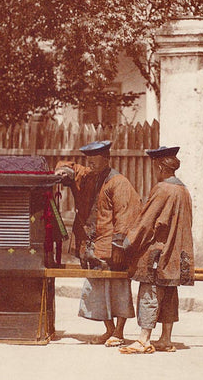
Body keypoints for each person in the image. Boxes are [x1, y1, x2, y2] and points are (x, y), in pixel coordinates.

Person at [55, 140, 142, 347]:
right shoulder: (87, 177)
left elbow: (126, 214)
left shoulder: (118, 182)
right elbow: (68, 166)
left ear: (106, 159)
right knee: (97, 289)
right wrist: (64, 171)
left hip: (110, 247)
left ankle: (119, 332)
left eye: (95, 160)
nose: (91, 164)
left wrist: (119, 246)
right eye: (89, 161)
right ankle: (109, 330)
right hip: (91, 246)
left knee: (119, 289)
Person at [119, 145, 194, 355]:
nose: (154, 170)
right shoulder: (184, 190)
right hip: (176, 252)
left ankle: (144, 339)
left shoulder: (162, 189)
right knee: (170, 292)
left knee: (149, 292)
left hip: (159, 252)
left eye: (155, 166)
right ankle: (166, 339)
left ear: (161, 167)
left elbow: (146, 223)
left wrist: (128, 243)